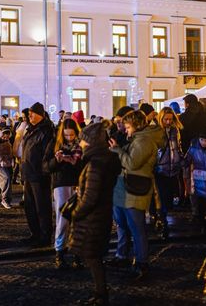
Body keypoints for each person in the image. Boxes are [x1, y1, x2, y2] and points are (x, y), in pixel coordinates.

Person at [68, 121, 121, 306]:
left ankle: (101, 295)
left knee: (93, 257)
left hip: (93, 219)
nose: (80, 143)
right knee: (93, 257)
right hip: (100, 215)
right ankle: (100, 294)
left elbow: (91, 196)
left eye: (83, 140)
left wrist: (76, 213)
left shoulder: (96, 164)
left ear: (91, 141)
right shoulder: (102, 160)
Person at [108, 110, 165, 279]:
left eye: (128, 127)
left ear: (137, 125)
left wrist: (117, 150)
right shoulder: (135, 138)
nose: (126, 130)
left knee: (136, 227)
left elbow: (132, 163)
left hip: (135, 189)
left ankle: (141, 262)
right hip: (124, 188)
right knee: (122, 224)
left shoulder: (144, 140)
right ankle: (122, 255)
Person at [44, 119, 82, 269]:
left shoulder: (81, 145)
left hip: (77, 184)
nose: (69, 138)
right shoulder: (55, 144)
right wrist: (57, 160)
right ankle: (59, 252)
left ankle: (77, 254)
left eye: (72, 135)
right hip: (61, 184)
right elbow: (46, 166)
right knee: (62, 219)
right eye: (66, 135)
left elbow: (85, 164)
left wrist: (76, 163)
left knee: (78, 220)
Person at [20, 102, 55, 247]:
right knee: (30, 207)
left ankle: (45, 236)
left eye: (32, 114)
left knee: (42, 207)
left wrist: (43, 171)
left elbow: (47, 153)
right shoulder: (31, 129)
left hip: (39, 175)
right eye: (29, 114)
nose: (29, 116)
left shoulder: (46, 131)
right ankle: (34, 234)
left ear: (40, 114)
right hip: (28, 172)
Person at [154, 107, 184, 239]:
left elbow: (178, 147)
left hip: (173, 168)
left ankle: (162, 219)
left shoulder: (175, 130)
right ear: (161, 118)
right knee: (162, 197)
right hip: (161, 169)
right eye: (166, 119)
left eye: (170, 119)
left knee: (168, 198)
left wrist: (180, 159)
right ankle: (163, 222)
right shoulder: (156, 131)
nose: (168, 121)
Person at [184, 125, 206, 234]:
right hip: (198, 183)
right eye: (202, 139)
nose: (204, 142)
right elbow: (186, 162)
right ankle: (202, 224)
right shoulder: (193, 149)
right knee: (201, 206)